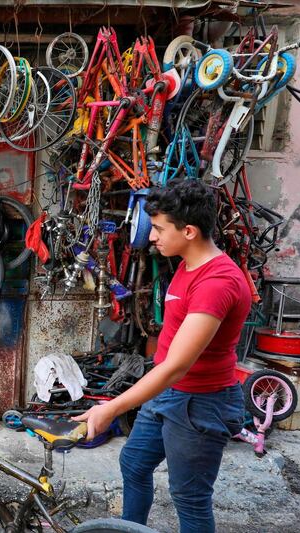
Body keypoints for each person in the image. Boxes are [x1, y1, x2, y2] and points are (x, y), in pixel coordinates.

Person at [73, 179, 251, 532]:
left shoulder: (217, 283)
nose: (151, 236)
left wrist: (110, 407)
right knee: (135, 463)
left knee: (190, 497)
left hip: (200, 403)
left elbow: (176, 366)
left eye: (157, 228)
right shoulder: (188, 263)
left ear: (188, 231)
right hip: (168, 393)